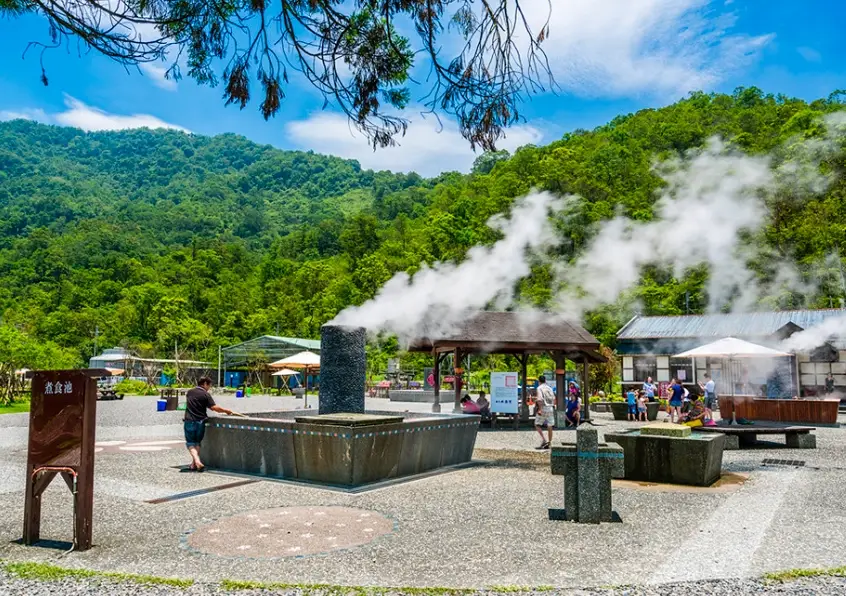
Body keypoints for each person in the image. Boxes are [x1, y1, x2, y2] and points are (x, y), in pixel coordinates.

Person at [184, 377, 235, 472]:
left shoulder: (190, 392)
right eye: (209, 385)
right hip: (200, 421)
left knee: (190, 443)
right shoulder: (205, 394)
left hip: (189, 420)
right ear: (204, 384)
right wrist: (226, 411)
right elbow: (214, 407)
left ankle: (197, 461)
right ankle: (194, 464)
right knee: (197, 442)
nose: (209, 387)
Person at [534, 375, 556, 450]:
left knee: (537, 424)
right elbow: (554, 398)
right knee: (550, 425)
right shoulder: (549, 388)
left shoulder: (539, 388)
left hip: (543, 407)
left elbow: (539, 399)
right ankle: (549, 443)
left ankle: (544, 439)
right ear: (545, 380)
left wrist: (539, 409)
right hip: (550, 408)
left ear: (539, 381)